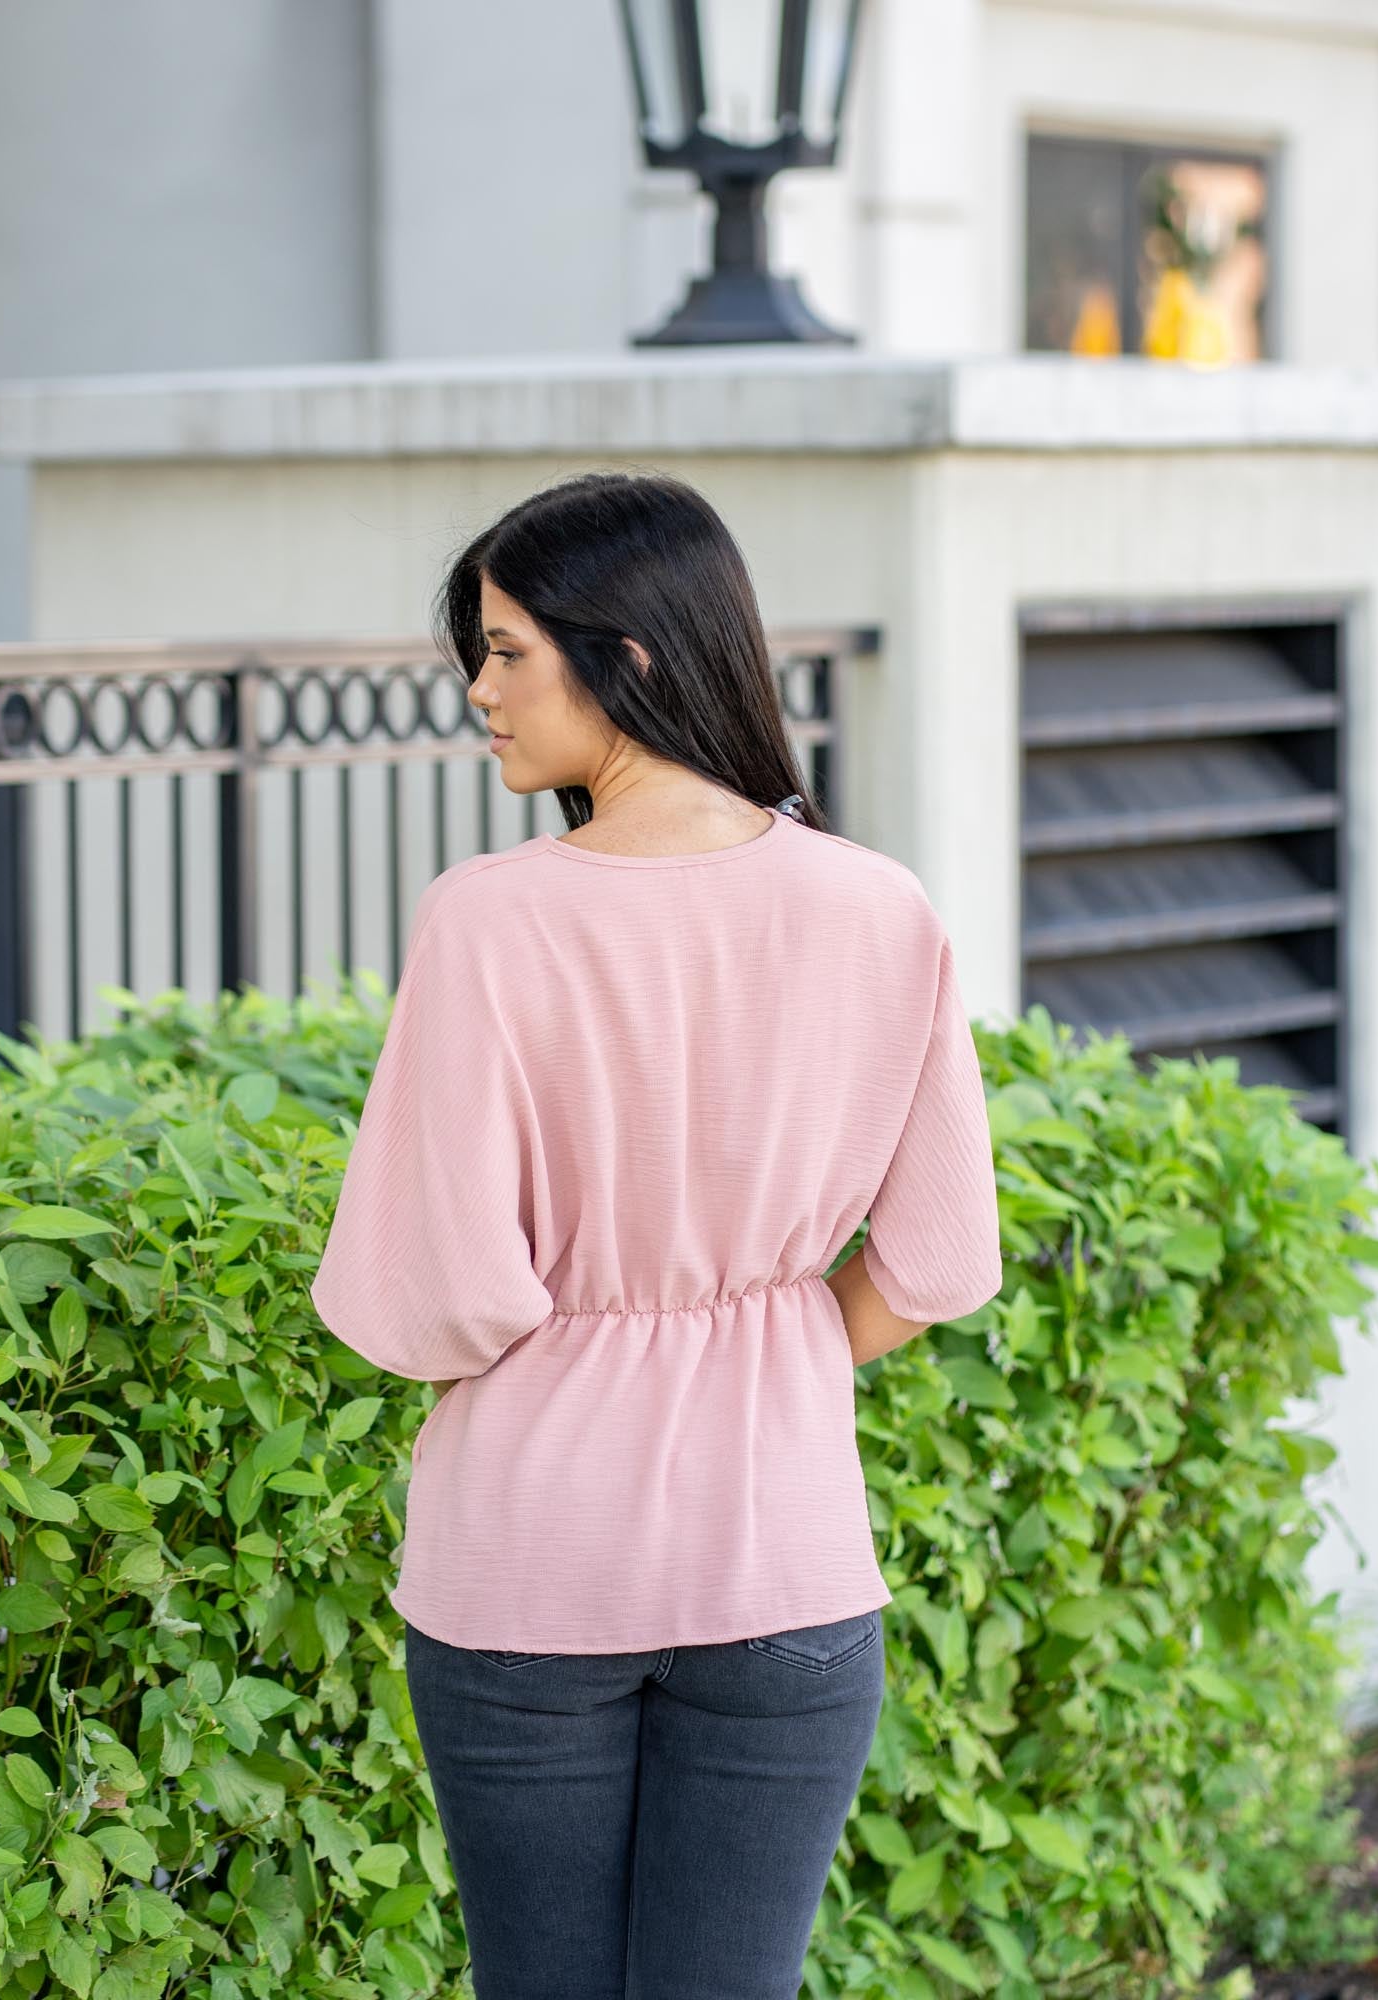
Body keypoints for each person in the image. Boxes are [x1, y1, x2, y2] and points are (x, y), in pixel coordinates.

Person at [308, 469, 1004, 2000]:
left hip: (527, 1560)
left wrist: (598, 1335)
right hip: (786, 1559)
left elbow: (444, 1296)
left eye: (507, 652)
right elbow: (940, 1259)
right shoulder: (878, 907)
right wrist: (770, 1344)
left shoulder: (489, 919)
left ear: (623, 658)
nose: (480, 691)